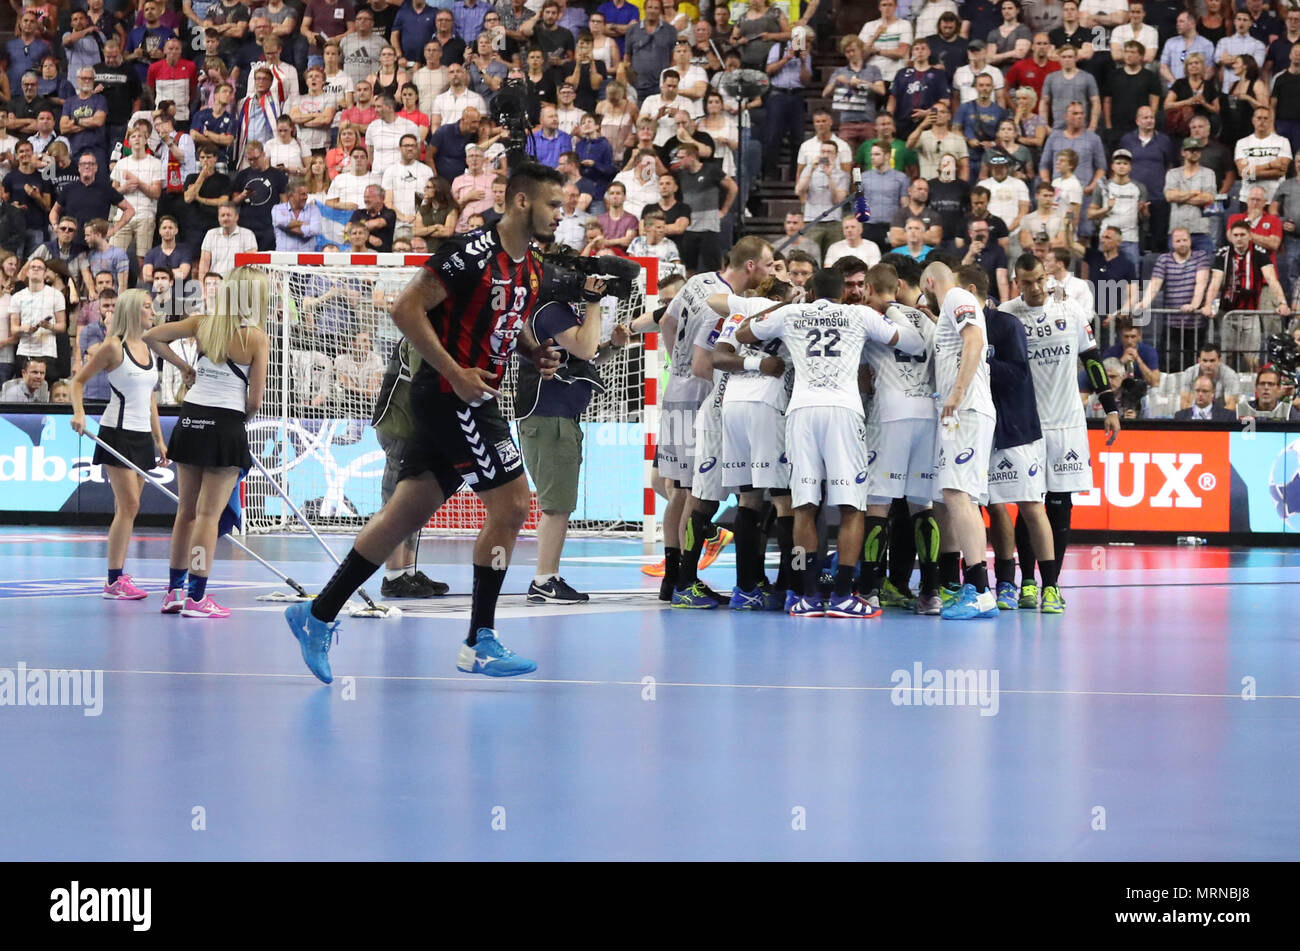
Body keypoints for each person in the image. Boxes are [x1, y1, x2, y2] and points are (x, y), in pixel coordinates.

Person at [284, 163, 570, 684]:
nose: (561, 214)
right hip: (452, 396)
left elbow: (506, 323)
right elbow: (404, 308)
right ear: (524, 202)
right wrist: (457, 373)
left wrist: (533, 352)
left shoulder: (529, 264)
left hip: (466, 394)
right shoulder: (470, 252)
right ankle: (479, 641)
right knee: (512, 506)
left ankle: (316, 614)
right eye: (554, 204)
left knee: (401, 517)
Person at [734, 266, 924, 618]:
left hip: (802, 412)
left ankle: (807, 596)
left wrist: (781, 305)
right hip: (843, 412)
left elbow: (743, 333)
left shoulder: (792, 312)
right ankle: (841, 596)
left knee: (804, 505)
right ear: (844, 291)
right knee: (852, 506)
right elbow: (914, 342)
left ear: (809, 289)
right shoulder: (859, 314)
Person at [145, 266, 270, 619]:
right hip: (224, 422)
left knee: (185, 512)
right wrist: (236, 425)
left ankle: (173, 592)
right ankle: (197, 597)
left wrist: (184, 366)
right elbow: (256, 400)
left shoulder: (202, 323)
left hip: (190, 418)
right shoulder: (255, 337)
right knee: (207, 516)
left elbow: (152, 336)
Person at [1001, 252, 1118, 612]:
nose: (1034, 288)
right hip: (1025, 424)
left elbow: (1093, 359)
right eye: (1026, 282)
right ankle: (1027, 584)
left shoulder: (1071, 312)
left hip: (1067, 422)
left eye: (1039, 280)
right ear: (1016, 282)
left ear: (1048, 277)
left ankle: (1052, 585)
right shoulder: (1006, 315)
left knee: (1059, 505)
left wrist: (1110, 407)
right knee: (1027, 503)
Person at [517, 280, 630, 605]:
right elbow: (585, 349)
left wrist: (613, 345)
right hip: (549, 417)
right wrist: (594, 302)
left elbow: (581, 361)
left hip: (555, 417)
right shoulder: (550, 311)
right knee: (557, 506)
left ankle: (547, 576)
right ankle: (544, 579)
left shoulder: (555, 311)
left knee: (557, 505)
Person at [855, 261, 943, 614]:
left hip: (890, 414)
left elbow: (858, 371)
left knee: (879, 505)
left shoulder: (871, 319)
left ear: (869, 290)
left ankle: (870, 590)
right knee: (922, 506)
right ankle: (932, 593)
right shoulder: (926, 318)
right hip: (928, 414)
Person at [70, 289, 167, 601]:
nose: (153, 312)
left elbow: (150, 396)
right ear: (134, 311)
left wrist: (158, 439)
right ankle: (113, 580)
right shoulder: (113, 347)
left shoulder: (149, 346)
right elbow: (78, 381)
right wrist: (80, 413)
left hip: (141, 437)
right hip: (117, 433)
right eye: (148, 308)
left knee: (125, 509)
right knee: (130, 506)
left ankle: (118, 572)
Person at [1203, 221, 1291, 372]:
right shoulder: (1223, 254)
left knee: (1252, 360)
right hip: (1227, 314)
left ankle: (1252, 389)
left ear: (1250, 236)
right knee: (1226, 358)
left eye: (1242, 235)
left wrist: (1282, 302)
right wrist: (1207, 304)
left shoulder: (1260, 253)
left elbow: (1272, 279)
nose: (1239, 239)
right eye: (1235, 235)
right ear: (1230, 237)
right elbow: (1215, 281)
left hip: (1251, 314)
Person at [1173, 374, 1238, 420]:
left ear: (1213, 393)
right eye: (1197, 391)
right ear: (1193, 392)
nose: (1200, 394)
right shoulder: (1180, 416)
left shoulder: (1228, 416)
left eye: (1205, 391)